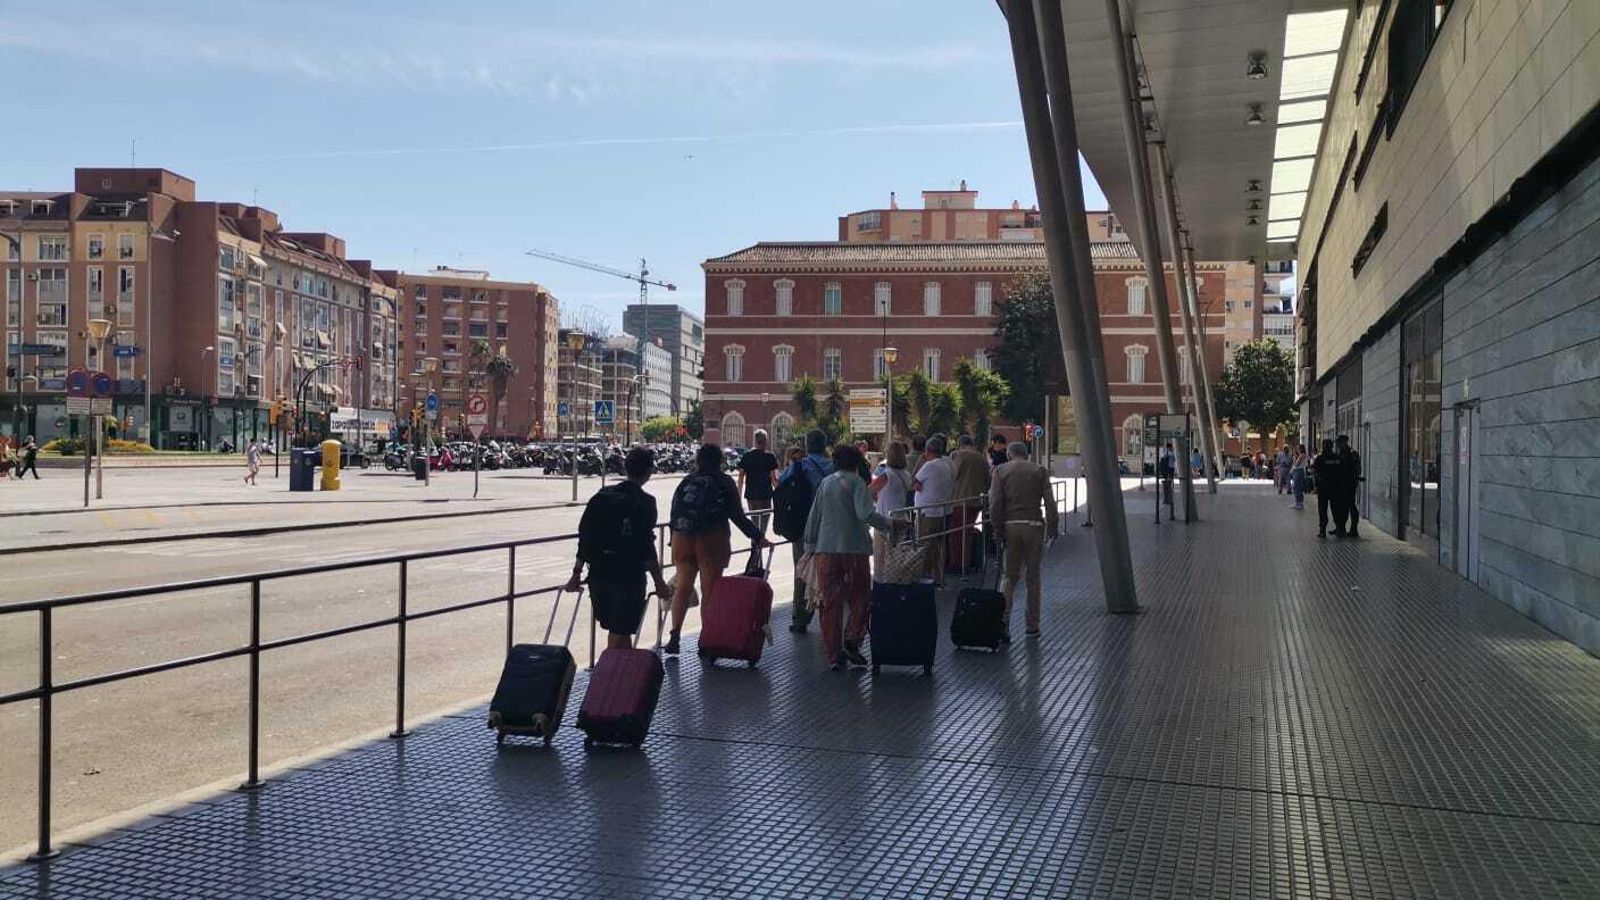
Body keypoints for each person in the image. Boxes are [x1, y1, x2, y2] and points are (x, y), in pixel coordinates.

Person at [663, 443, 767, 654]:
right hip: (712, 538)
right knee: (709, 590)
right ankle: (706, 638)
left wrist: (674, 538)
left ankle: (674, 635)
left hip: (681, 538)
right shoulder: (723, 482)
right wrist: (758, 536)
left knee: (683, 587)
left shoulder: (687, 480)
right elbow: (737, 516)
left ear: (698, 460)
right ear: (720, 460)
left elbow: (675, 511)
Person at [568, 447, 672, 650]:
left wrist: (576, 573)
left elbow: (586, 537)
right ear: (649, 472)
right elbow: (645, 545)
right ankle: (608, 676)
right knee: (620, 631)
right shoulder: (645, 502)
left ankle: (621, 676)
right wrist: (659, 582)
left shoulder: (601, 496)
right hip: (628, 577)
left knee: (618, 631)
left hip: (598, 575)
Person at [804, 444, 893, 670]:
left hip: (826, 551)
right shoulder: (857, 483)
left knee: (829, 603)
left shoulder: (826, 483)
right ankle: (852, 640)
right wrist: (889, 525)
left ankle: (834, 655)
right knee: (860, 598)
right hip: (854, 551)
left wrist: (810, 545)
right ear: (857, 463)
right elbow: (865, 513)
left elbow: (814, 515)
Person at [990, 441, 1060, 641]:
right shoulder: (1039, 471)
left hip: (1011, 526)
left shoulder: (1000, 471)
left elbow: (995, 503)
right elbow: (1049, 501)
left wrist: (997, 529)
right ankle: (1032, 626)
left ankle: (1004, 622)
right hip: (1034, 526)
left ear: (1010, 455)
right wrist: (1053, 526)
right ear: (1027, 455)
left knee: (1009, 577)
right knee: (1033, 578)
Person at [776, 429, 833, 633]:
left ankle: (800, 617)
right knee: (829, 569)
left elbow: (781, 484)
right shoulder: (833, 467)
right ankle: (829, 611)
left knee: (801, 569)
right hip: (828, 526)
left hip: (802, 524)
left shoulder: (800, 465)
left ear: (808, 445)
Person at [912, 433, 955, 582]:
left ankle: (925, 577)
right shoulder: (947, 464)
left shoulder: (930, 465)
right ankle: (939, 576)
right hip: (943, 511)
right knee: (940, 546)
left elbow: (914, 481)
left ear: (928, 450)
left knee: (925, 546)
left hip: (928, 512)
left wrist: (920, 461)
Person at [869, 441, 916, 571]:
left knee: (880, 557)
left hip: (885, 519)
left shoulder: (886, 476)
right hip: (901, 518)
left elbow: (869, 492)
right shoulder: (906, 475)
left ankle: (881, 585)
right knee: (895, 557)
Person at [948, 434, 988, 573]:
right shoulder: (981, 457)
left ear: (960, 444)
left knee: (956, 534)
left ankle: (956, 564)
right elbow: (987, 479)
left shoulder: (960, 456)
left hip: (960, 500)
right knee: (968, 533)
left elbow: (953, 475)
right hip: (976, 501)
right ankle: (967, 562)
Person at [736, 429, 779, 536]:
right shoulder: (770, 457)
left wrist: (738, 496)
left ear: (755, 441)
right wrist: (779, 495)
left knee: (755, 525)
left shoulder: (747, 456)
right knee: (763, 527)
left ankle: (755, 547)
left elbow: (741, 477)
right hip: (766, 495)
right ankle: (759, 545)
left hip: (751, 495)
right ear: (766, 441)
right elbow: (774, 479)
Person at [1312, 438, 1347, 538]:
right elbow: (1342, 472)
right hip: (1335, 488)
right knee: (1336, 509)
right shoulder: (1337, 458)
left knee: (1323, 509)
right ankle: (1339, 529)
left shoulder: (1320, 458)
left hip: (1323, 488)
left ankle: (1323, 530)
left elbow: (1316, 471)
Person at [1337, 434, 1363, 538]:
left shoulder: (1352, 454)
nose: (1338, 445)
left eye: (1340, 443)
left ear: (1345, 442)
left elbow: (1356, 470)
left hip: (1349, 484)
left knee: (1350, 506)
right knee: (1344, 507)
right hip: (1343, 484)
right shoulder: (1342, 454)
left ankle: (1353, 528)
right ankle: (1342, 528)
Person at [1290, 444, 1309, 510]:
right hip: (1299, 471)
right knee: (1297, 487)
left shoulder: (1302, 455)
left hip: (1299, 471)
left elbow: (1297, 464)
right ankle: (1298, 502)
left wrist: (1292, 469)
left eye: (1298, 448)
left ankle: (1299, 503)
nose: (1298, 450)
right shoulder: (1301, 455)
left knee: (1297, 487)